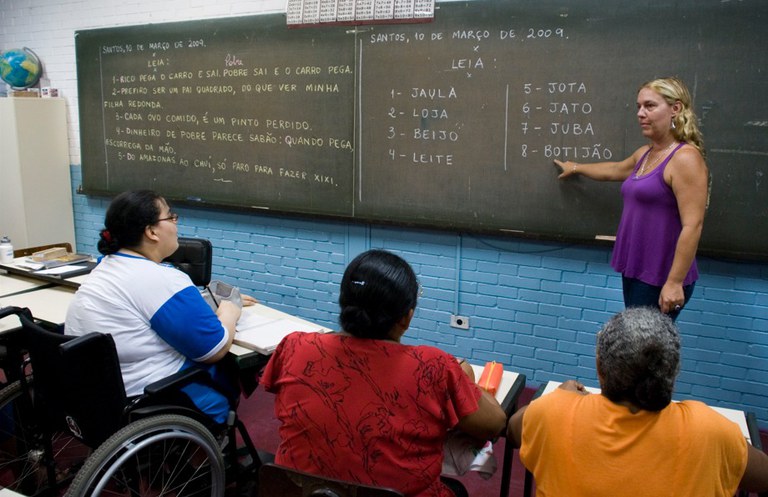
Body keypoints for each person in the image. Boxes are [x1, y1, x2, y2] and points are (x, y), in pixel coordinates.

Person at [261, 249, 506, 497]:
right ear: (406, 317)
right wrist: (461, 377)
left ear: (343, 302)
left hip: (304, 491)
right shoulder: (434, 367)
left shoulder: (294, 346)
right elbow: (495, 423)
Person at [507, 307, 768, 496]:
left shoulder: (551, 412)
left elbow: (512, 430)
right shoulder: (713, 431)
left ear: (600, 367)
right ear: (673, 373)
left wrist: (561, 398)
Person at [65, 190, 254, 424]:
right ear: (151, 231)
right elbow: (213, 350)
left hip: (94, 396)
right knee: (229, 367)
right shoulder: (162, 279)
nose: (176, 223)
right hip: (145, 398)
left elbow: (144, 304)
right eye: (170, 217)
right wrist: (229, 313)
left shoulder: (107, 266)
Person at [554, 77, 709, 320]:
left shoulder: (685, 158)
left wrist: (674, 282)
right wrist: (576, 168)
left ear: (675, 109)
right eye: (638, 106)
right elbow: (615, 169)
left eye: (650, 106)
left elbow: (693, 225)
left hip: (661, 275)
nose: (640, 113)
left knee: (647, 352)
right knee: (640, 348)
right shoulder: (647, 153)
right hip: (638, 267)